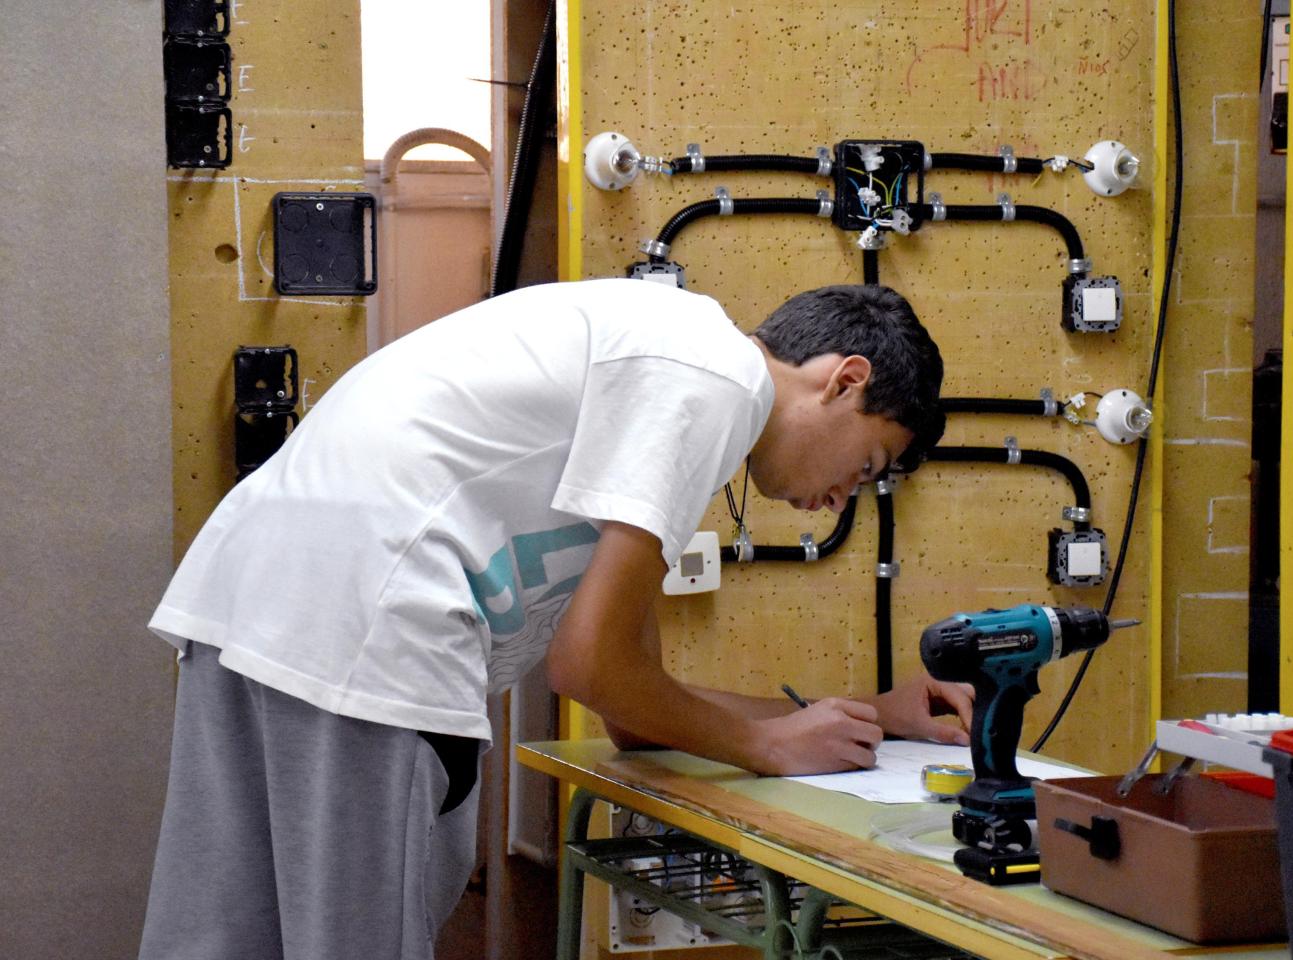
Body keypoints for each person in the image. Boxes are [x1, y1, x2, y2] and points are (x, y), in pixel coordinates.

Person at [139, 279, 968, 960]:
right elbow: (588, 668)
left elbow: (634, 704)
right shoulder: (715, 380)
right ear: (844, 380)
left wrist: (868, 716)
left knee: (220, 938)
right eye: (865, 465)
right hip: (367, 632)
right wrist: (764, 748)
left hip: (252, 598)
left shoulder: (667, 362)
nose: (835, 500)